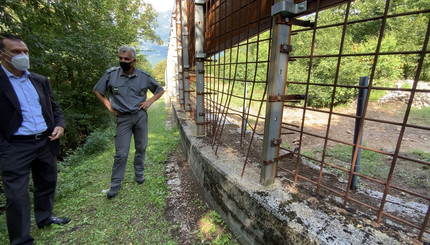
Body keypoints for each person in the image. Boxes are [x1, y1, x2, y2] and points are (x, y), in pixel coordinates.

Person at [0, 33, 70, 245]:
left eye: (25, 52)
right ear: (2, 54)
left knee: (47, 183)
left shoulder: (39, 80)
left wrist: (59, 125)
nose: (23, 56)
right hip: (15, 146)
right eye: (16, 52)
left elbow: (53, 107)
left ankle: (44, 217)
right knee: (16, 196)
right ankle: (21, 240)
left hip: (45, 141)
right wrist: (4, 147)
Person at [93, 46, 164, 199]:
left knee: (141, 147)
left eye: (126, 59)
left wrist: (149, 101)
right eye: (120, 58)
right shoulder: (111, 75)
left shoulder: (143, 76)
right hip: (123, 118)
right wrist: (108, 105)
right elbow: (97, 90)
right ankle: (115, 184)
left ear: (134, 60)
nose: (123, 61)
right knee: (121, 152)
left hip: (140, 116)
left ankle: (139, 173)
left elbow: (159, 89)